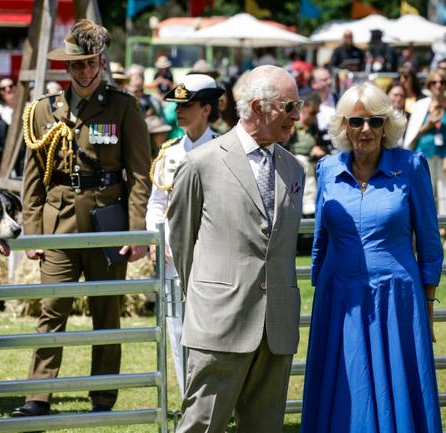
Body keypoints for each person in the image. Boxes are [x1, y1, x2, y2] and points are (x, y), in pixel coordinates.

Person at [16, 19, 151, 417]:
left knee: (105, 312)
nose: (86, 71)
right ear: (66, 68)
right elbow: (31, 179)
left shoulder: (123, 107)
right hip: (58, 222)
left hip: (107, 219)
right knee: (51, 309)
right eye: (78, 65)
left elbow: (140, 174)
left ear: (102, 62)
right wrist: (32, 232)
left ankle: (102, 398)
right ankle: (37, 397)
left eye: (92, 63)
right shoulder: (43, 110)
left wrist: (137, 230)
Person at [168, 65, 305, 433]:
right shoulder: (200, 163)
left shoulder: (294, 169)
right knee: (201, 425)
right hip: (219, 322)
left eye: (299, 107)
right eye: (290, 107)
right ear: (259, 106)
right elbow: (182, 243)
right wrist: (208, 297)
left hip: (275, 325)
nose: (297, 116)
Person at [301, 83, 443, 433]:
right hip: (338, 297)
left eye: (375, 122)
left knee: (396, 380)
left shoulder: (411, 165)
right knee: (346, 380)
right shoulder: (328, 169)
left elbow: (428, 240)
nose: (366, 130)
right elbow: (320, 238)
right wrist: (321, 291)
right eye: (356, 121)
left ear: (387, 126)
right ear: (343, 126)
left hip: (397, 297)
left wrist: (427, 302)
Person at [146, 74, 223, 396]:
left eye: (187, 105)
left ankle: (218, 397)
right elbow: (156, 203)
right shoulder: (169, 152)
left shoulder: (226, 148)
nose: (178, 111)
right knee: (178, 329)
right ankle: (188, 399)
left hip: (216, 256)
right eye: (177, 105)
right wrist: (157, 239)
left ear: (206, 108)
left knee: (218, 329)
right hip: (174, 255)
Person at [403, 69, 446, 215]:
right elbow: (413, 134)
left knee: (443, 196)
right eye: (434, 82)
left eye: (442, 82)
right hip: (423, 155)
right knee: (426, 195)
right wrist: (428, 126)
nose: (438, 85)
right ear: (429, 84)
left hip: (443, 156)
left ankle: (443, 232)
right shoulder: (421, 105)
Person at [285, 91, 327, 217]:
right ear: (304, 108)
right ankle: (306, 204)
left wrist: (319, 149)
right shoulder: (293, 126)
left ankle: (313, 204)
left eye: (316, 113)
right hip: (296, 160)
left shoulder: (314, 128)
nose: (314, 116)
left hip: (312, 160)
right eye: (312, 113)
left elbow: (322, 144)